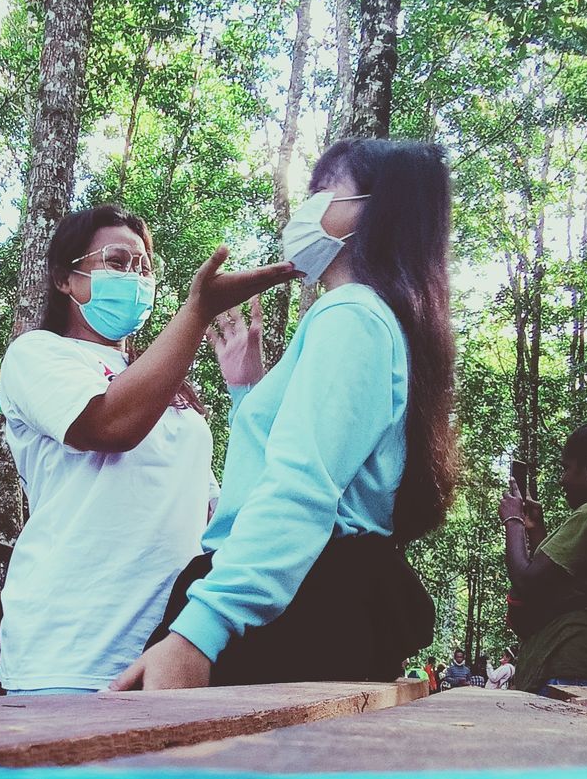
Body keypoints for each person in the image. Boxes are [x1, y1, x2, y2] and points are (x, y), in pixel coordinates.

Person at [111, 137, 457, 691]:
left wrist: (200, 630)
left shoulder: (350, 312)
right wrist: (248, 393)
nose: (307, 206)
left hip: (292, 606)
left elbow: (302, 488)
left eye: (324, 191)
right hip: (309, 594)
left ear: (374, 210)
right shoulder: (376, 318)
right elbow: (321, 465)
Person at [0, 204, 295, 694]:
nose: (134, 277)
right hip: (70, 651)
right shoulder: (37, 354)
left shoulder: (172, 393)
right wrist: (198, 312)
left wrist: (245, 392)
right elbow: (109, 424)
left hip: (170, 649)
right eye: (117, 261)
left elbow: (222, 510)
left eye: (144, 267)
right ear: (65, 279)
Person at [499, 421, 587, 693]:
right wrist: (537, 532)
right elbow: (563, 585)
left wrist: (512, 520)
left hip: (570, 674)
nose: (562, 480)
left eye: (567, 468)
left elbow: (527, 581)